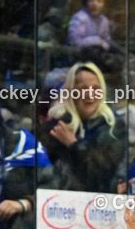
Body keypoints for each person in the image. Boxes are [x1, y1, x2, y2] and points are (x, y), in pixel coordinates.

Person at [42, 62, 125, 192]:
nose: (90, 94)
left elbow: (102, 173)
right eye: (83, 88)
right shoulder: (55, 128)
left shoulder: (114, 128)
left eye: (96, 88)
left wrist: (74, 145)